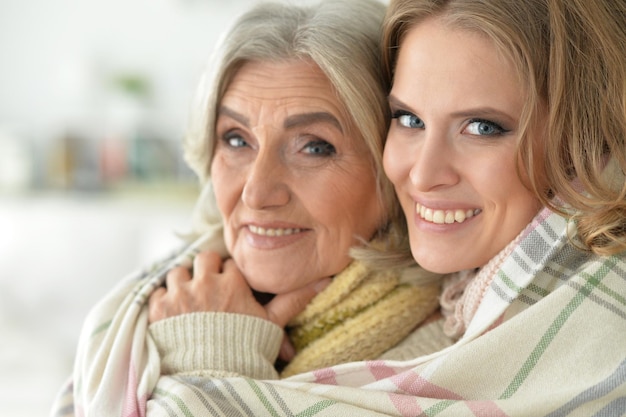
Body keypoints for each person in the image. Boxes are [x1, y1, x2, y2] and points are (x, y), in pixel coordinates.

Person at [51, 1, 442, 416]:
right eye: (236, 140)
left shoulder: (439, 364)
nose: (256, 193)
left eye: (314, 146)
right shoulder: (166, 306)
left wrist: (209, 348)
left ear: (394, 165)